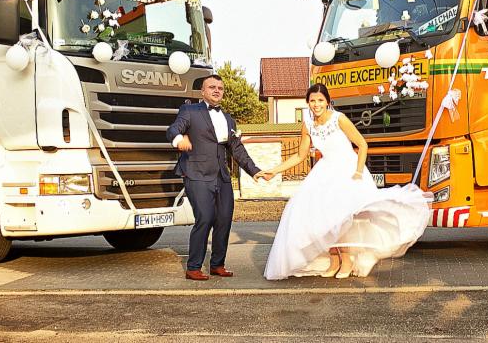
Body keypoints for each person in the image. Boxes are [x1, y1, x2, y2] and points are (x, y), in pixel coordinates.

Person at [256, 84, 430, 280]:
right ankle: (334, 261)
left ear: (327, 102)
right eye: (312, 101)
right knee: (321, 217)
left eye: (320, 100)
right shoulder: (308, 125)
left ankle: (346, 260)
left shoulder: (339, 119)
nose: (316, 104)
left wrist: (358, 172)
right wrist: (273, 171)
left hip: (347, 170)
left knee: (341, 217)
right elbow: (299, 155)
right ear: (307, 103)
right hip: (324, 172)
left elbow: (362, 144)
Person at [167, 74, 261, 281]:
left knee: (224, 219)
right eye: (212, 87)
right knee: (206, 217)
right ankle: (193, 267)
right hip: (197, 173)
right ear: (203, 91)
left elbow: (237, 149)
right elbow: (173, 129)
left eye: (220, 87)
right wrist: (178, 139)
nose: (217, 90)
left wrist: (254, 170)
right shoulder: (190, 111)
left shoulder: (228, 119)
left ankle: (217, 264)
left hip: (222, 176)